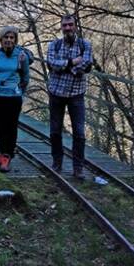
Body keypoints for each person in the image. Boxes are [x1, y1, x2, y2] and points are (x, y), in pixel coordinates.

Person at [46, 14, 93, 179]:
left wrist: (63, 66)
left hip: (76, 95)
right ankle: (57, 162)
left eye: (70, 25)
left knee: (79, 132)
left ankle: (78, 168)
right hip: (56, 93)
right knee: (55, 131)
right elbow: (52, 63)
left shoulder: (85, 45)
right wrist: (73, 63)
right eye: (64, 25)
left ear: (75, 26)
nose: (67, 28)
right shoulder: (54, 45)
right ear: (61, 27)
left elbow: (86, 65)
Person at [0, 26, 30, 173]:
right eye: (6, 37)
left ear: (15, 40)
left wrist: (18, 91)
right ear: (1, 39)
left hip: (13, 97)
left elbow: (25, 78)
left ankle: (7, 156)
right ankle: (0, 154)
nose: (9, 40)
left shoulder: (21, 56)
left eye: (12, 38)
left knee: (10, 127)